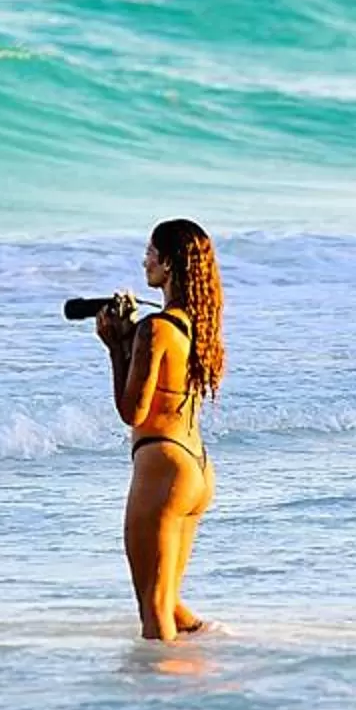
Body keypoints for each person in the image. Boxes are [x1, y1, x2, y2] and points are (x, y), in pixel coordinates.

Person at [94, 218, 223, 641]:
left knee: (152, 610)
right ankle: (210, 648)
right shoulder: (194, 326)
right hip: (196, 471)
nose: (144, 260)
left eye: (150, 252)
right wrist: (131, 340)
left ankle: (161, 702)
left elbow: (133, 411)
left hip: (162, 468)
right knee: (167, 601)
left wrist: (116, 348)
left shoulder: (157, 327)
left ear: (168, 263)